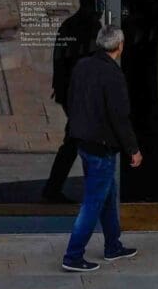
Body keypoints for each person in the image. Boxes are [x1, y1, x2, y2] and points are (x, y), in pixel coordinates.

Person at [59, 26, 141, 273]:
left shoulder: (82, 66)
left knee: (106, 195)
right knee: (93, 201)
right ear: (120, 46)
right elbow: (120, 117)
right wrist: (133, 149)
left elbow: (71, 98)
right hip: (102, 147)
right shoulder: (113, 75)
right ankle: (73, 255)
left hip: (83, 142)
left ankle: (113, 245)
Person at [39, 0, 107, 205]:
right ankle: (59, 189)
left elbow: (59, 59)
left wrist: (60, 88)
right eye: (100, 2)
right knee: (80, 140)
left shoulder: (70, 25)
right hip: (81, 95)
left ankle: (55, 188)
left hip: (70, 93)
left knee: (77, 139)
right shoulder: (91, 27)